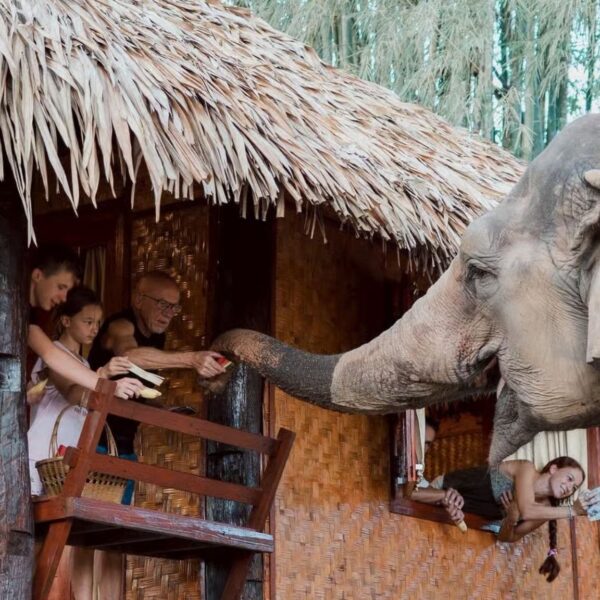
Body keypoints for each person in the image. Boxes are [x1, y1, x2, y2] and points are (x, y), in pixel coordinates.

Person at [88, 270, 226, 455]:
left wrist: (163, 409)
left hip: (124, 442)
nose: (168, 314)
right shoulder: (120, 326)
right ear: (138, 300)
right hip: (93, 437)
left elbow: (136, 390)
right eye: (162, 304)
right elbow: (129, 357)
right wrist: (192, 359)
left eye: (174, 308)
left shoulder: (156, 337)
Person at [411, 457, 592, 582]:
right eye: (569, 478)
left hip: (456, 514)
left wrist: (511, 518)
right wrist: (573, 511)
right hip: (441, 491)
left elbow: (506, 537)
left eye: (574, 487)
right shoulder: (526, 468)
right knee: (409, 493)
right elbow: (527, 509)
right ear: (554, 469)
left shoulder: (545, 511)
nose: (569, 487)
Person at [27, 286, 133, 495]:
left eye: (98, 323)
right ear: (67, 321)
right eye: (88, 322)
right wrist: (102, 378)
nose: (94, 328)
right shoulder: (55, 351)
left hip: (64, 458)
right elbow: (71, 392)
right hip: (41, 453)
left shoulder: (83, 364)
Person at [27, 243, 142, 401]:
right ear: (38, 275)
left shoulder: (28, 319)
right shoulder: (53, 348)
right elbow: (52, 356)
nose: (64, 298)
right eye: (61, 287)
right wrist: (106, 382)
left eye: (97, 323)